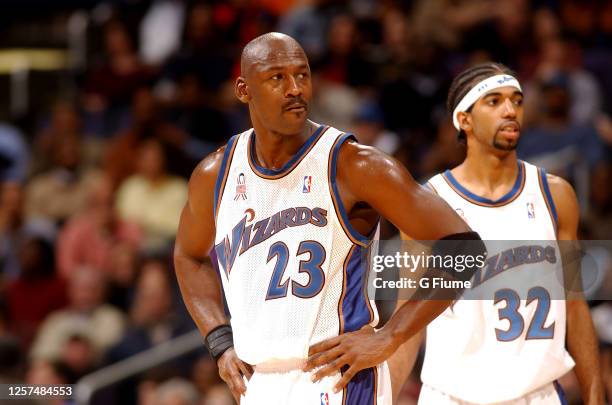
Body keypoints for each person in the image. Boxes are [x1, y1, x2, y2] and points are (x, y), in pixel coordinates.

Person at [174, 32, 483, 405]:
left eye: (302, 75)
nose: (295, 89)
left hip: (336, 379)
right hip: (259, 383)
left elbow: (464, 247)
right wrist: (219, 340)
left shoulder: (353, 165)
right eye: (277, 77)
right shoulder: (216, 174)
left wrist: (392, 335)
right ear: (243, 89)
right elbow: (188, 257)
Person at [414, 62, 604, 404]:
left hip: (536, 394)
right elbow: (406, 320)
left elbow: (574, 305)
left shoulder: (555, 195)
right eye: (494, 101)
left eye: (516, 100)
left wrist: (595, 395)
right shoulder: (430, 201)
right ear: (464, 120)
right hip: (451, 395)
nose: (510, 110)